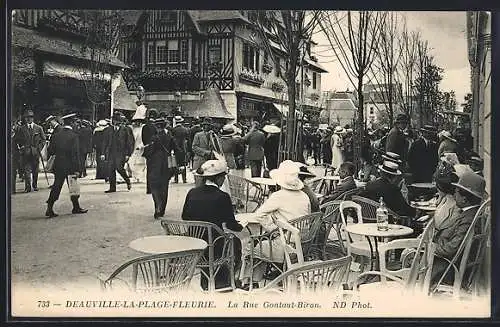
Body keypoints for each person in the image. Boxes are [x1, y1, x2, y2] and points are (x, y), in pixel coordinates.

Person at [181, 159, 243, 291]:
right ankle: (226, 280)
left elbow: (185, 216)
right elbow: (231, 225)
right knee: (235, 242)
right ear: (219, 178)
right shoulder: (222, 196)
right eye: (223, 177)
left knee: (217, 238)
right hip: (214, 245)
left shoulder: (192, 192)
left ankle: (208, 281)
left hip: (194, 241)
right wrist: (241, 225)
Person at [431, 171, 486, 285]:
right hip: (451, 264)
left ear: (464, 199)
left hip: (448, 270)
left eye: (456, 193)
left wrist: (430, 247)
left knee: (410, 259)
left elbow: (452, 249)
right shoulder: (472, 214)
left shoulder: (468, 219)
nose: (454, 196)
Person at [45, 114, 87, 218]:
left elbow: (50, 150)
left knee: (56, 186)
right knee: (73, 187)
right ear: (72, 123)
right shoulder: (73, 136)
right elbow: (75, 154)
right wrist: (77, 169)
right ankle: (76, 207)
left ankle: (49, 208)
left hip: (59, 165)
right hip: (70, 166)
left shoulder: (56, 135)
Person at [145, 118, 176, 219]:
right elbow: (176, 149)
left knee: (155, 187)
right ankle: (162, 209)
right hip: (166, 165)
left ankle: (157, 207)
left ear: (156, 127)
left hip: (155, 166)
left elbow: (148, 152)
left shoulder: (154, 138)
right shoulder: (169, 136)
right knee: (164, 188)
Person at [102, 112, 134, 193]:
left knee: (119, 168)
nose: (116, 122)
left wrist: (128, 154)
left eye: (117, 120)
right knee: (111, 169)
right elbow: (104, 142)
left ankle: (127, 180)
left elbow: (129, 143)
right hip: (111, 152)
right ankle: (112, 187)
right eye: (115, 120)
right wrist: (103, 153)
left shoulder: (125, 129)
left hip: (121, 153)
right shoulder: (108, 130)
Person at [14, 110, 46, 192]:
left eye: (30, 117)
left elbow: (43, 140)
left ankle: (34, 185)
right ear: (25, 118)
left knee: (35, 170)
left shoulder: (39, 128)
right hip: (25, 153)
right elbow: (17, 140)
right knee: (26, 170)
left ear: (33, 118)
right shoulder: (21, 129)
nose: (29, 119)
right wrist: (21, 147)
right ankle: (27, 187)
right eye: (27, 117)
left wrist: (39, 148)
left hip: (35, 153)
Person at [192, 117, 217, 186]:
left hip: (210, 163)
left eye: (208, 125)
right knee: (199, 184)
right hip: (199, 161)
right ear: (203, 126)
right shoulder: (198, 135)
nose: (206, 127)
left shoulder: (214, 136)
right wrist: (206, 152)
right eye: (205, 125)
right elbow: (194, 147)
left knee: (209, 185)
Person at [129, 109, 147, 183]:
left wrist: (142, 145)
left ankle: (140, 177)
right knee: (132, 162)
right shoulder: (133, 129)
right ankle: (135, 176)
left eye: (139, 121)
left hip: (141, 147)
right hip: (133, 148)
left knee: (141, 163)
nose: (137, 123)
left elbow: (145, 139)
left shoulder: (143, 129)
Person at [171, 116, 189, 184]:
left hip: (176, 149)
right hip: (183, 148)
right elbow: (187, 139)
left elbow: (172, 140)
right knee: (183, 164)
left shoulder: (173, 130)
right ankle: (184, 179)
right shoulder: (185, 129)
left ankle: (176, 179)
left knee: (176, 164)